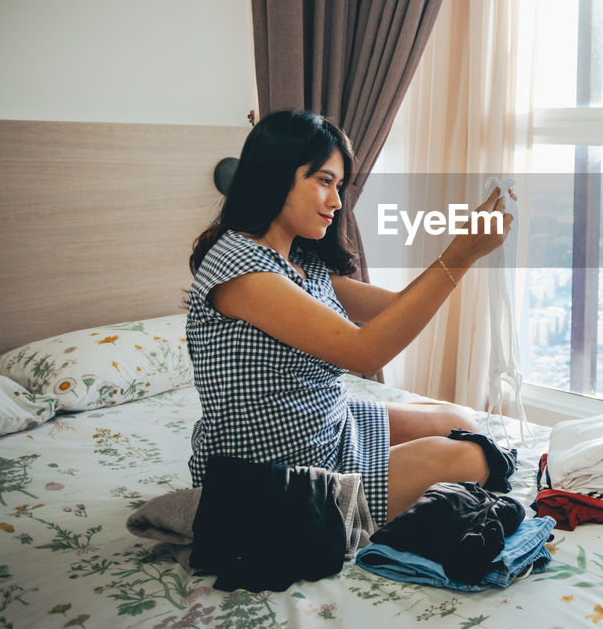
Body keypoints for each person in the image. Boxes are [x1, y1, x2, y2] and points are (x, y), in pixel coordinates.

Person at [186, 110, 513, 525]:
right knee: (472, 456)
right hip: (277, 474)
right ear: (276, 175)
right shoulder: (242, 269)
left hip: (327, 426)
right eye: (324, 181)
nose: (337, 202)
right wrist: (460, 255)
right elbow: (364, 353)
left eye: (339, 186)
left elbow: (396, 307)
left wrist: (462, 250)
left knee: (460, 421)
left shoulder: (297, 258)